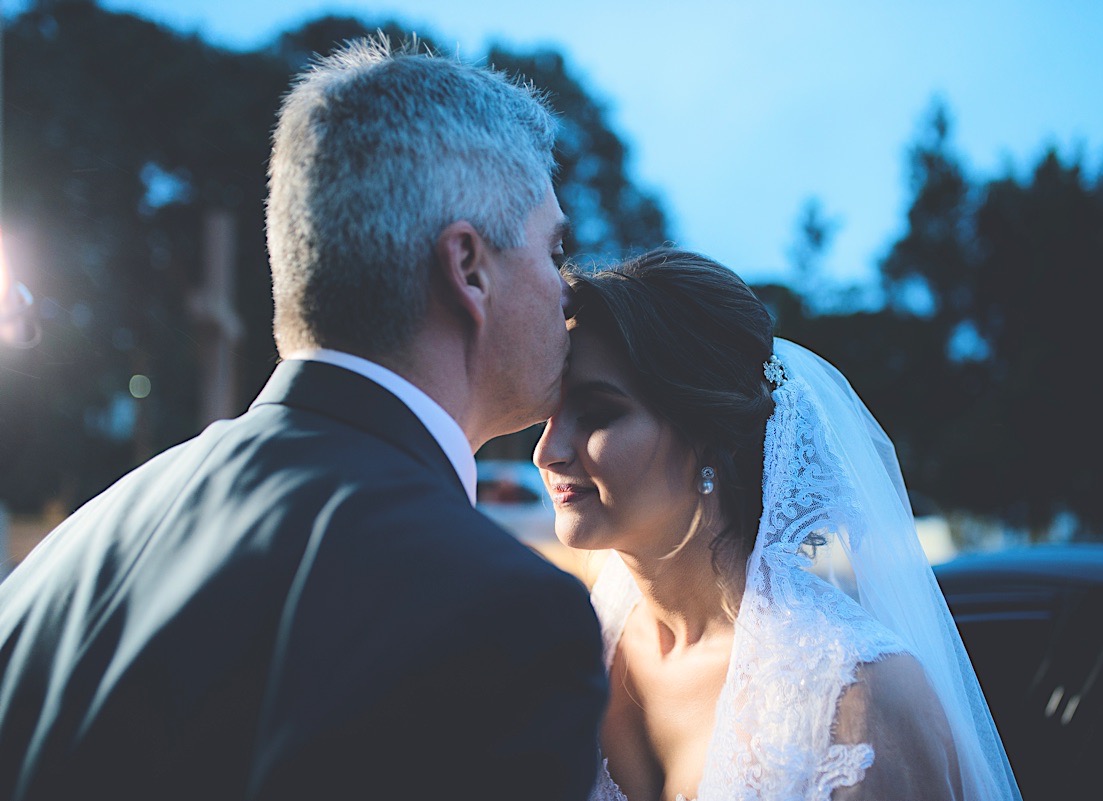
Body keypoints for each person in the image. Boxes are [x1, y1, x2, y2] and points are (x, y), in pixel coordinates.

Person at [0, 36, 607, 800]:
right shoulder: (503, 616)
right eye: (554, 251)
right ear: (470, 269)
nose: (566, 289)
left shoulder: (70, 555)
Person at [534, 248, 1022, 801]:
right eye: (548, 414)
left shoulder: (856, 694)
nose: (546, 452)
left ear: (706, 435)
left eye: (598, 414)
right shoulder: (576, 651)